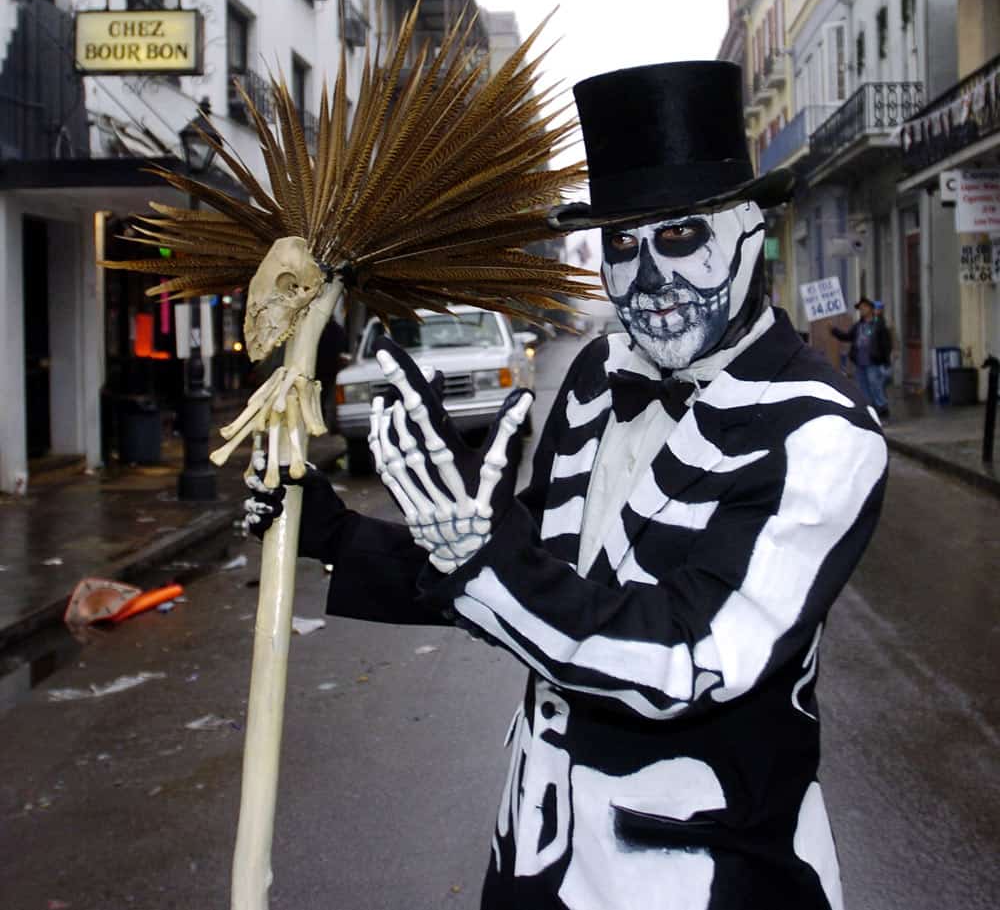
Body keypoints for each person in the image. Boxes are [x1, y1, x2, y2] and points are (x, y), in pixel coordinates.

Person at [245, 62, 887, 910]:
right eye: (622, 244)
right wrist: (330, 531)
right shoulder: (594, 375)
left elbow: (687, 658)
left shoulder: (822, 430)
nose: (649, 278)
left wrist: (484, 560)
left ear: (749, 230)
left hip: (711, 876)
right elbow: (534, 577)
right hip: (536, 864)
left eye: (680, 236)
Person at [831, 297, 892, 418]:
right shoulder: (858, 325)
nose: (862, 310)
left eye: (864, 307)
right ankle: (870, 410)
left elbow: (886, 343)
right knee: (863, 387)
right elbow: (848, 336)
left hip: (874, 362)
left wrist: (885, 360)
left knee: (875, 385)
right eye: (860, 308)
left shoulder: (879, 325)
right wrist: (834, 330)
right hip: (860, 362)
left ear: (870, 309)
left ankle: (882, 409)